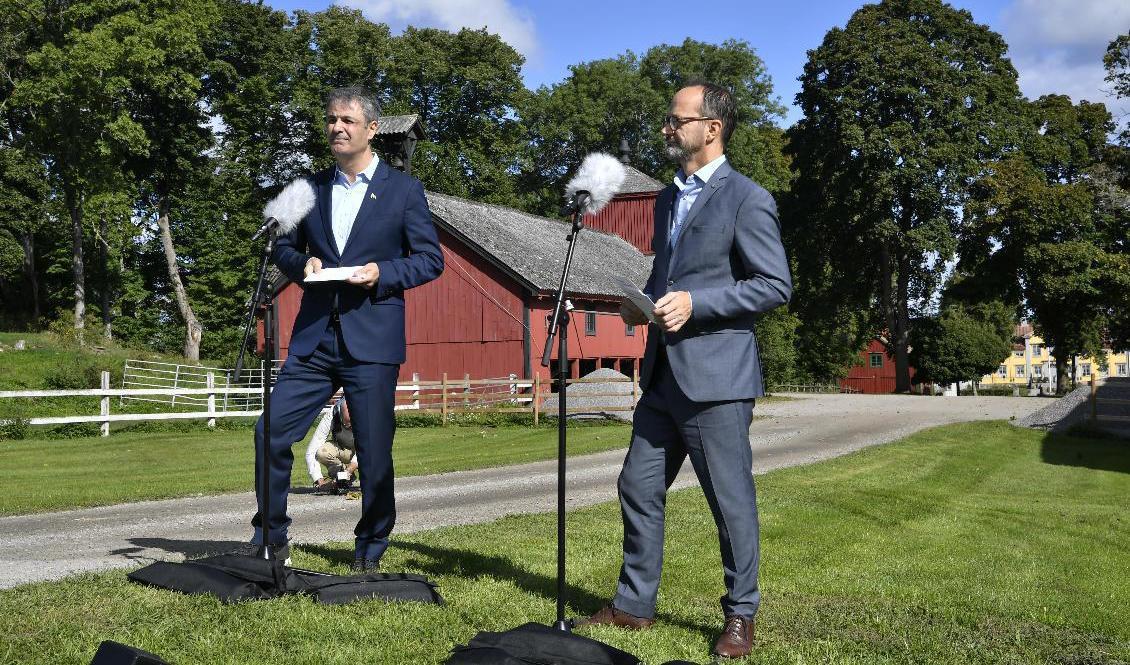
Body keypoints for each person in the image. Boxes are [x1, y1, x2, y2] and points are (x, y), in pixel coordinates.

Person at [582, 82, 792, 659]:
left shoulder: (748, 198)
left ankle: (740, 616)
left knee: (728, 500)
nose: (668, 129)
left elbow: (774, 286)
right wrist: (641, 303)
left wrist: (699, 304)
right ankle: (634, 605)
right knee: (637, 485)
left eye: (678, 121)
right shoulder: (667, 198)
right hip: (663, 376)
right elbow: (667, 279)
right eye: (670, 121)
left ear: (712, 128)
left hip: (717, 378)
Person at [247, 86, 443, 572]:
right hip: (315, 337)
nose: (336, 127)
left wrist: (383, 272)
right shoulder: (307, 191)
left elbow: (430, 260)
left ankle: (370, 547)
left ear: (372, 129)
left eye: (347, 121)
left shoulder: (403, 191)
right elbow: (280, 248)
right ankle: (271, 538)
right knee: (269, 433)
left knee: (374, 453)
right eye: (331, 119)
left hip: (372, 339)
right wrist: (301, 263)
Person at [305, 397, 358, 494]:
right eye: (346, 424)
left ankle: (349, 476)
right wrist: (319, 481)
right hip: (343, 449)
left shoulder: (367, 414)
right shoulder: (332, 414)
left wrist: (349, 470)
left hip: (365, 451)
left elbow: (366, 449)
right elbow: (312, 450)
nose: (349, 428)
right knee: (322, 452)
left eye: (351, 425)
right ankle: (340, 479)